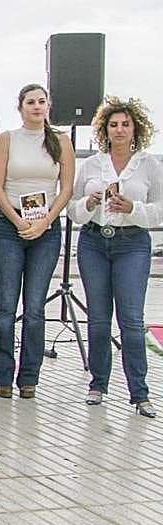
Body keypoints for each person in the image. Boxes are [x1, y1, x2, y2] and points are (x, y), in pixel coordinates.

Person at [70, 97, 161, 417]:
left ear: (135, 128)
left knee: (132, 321)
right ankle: (98, 384)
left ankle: (140, 392)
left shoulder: (148, 164)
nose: (119, 130)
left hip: (132, 244)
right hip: (95, 242)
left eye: (125, 124)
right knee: (97, 318)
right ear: (104, 130)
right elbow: (73, 208)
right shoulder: (93, 164)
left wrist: (133, 209)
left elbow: (160, 211)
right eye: (113, 125)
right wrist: (90, 204)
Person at [0, 83, 75, 399]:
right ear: (20, 107)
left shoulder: (61, 142)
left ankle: (29, 378)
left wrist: (46, 221)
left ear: (48, 106)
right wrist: (19, 220)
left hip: (46, 232)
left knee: (35, 306)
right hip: (11, 227)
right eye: (30, 102)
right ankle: (1, 377)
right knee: (6, 304)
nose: (36, 107)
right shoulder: (7, 140)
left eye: (42, 101)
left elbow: (66, 188)